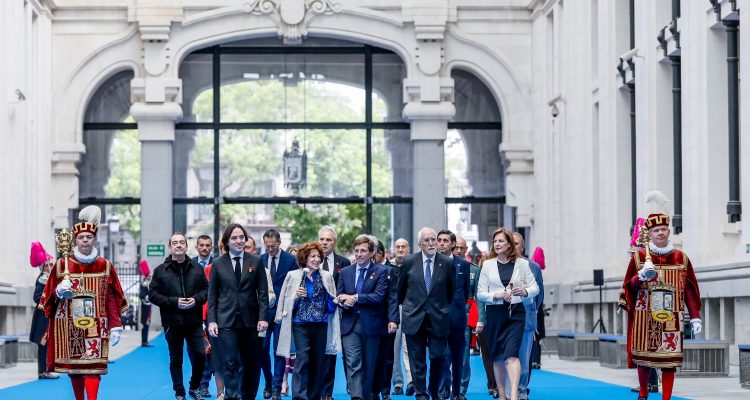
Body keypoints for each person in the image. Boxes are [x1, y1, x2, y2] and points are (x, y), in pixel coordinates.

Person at [618, 192, 702, 400]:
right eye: (656, 230)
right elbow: (628, 287)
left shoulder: (681, 258)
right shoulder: (639, 258)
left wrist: (696, 315)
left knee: (669, 361)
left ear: (669, 231)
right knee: (644, 358)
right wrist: (640, 277)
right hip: (645, 317)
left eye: (664, 229)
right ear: (649, 234)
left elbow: (690, 288)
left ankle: (667, 397)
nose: (661, 233)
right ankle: (644, 394)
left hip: (672, 318)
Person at [39, 205, 128, 400]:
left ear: (94, 239)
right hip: (70, 324)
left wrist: (116, 325)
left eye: (88, 237)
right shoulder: (62, 265)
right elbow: (46, 299)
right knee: (75, 368)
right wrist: (58, 292)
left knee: (93, 368)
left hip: (97, 324)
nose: (85, 240)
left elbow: (113, 297)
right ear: (75, 240)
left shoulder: (105, 265)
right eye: (81, 237)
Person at [389, 227, 455, 400]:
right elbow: (400, 292)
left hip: (438, 318)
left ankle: (433, 391)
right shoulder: (409, 262)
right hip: (414, 318)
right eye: (427, 240)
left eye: (434, 239)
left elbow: (451, 291)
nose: (432, 243)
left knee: (437, 357)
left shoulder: (447, 263)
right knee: (416, 360)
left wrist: (441, 308)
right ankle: (421, 394)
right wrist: (399, 315)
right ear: (420, 244)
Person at [207, 223, 270, 400]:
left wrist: (263, 318)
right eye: (234, 238)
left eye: (241, 237)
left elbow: (263, 293)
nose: (239, 241)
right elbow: (212, 295)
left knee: (251, 362)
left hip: (251, 321)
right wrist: (212, 320)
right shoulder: (218, 264)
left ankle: (248, 396)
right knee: (230, 362)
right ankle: (231, 396)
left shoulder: (255, 261)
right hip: (226, 321)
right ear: (227, 241)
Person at [476, 227, 539, 400]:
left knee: (512, 354)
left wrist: (525, 292)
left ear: (510, 244)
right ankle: (502, 395)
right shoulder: (487, 265)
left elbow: (535, 288)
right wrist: (495, 295)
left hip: (516, 313)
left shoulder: (522, 264)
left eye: (501, 241)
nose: (497, 244)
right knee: (497, 356)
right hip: (495, 313)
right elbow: (480, 293)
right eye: (495, 241)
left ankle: (514, 396)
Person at [275, 242, 341, 400]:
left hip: (321, 323)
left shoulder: (326, 276)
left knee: (318, 362)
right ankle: (299, 396)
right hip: (300, 323)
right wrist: (297, 296)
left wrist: (335, 301)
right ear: (305, 258)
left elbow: (331, 304)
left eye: (319, 256)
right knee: (303, 358)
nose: (317, 259)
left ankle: (314, 396)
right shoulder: (293, 276)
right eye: (313, 256)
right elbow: (286, 303)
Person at [149, 232, 209, 400]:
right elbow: (153, 295)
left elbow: (207, 291)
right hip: (172, 322)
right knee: (176, 359)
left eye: (182, 242)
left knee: (200, 355)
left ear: (186, 246)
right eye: (175, 242)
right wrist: (175, 302)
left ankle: (194, 386)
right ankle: (179, 392)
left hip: (194, 322)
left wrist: (195, 300)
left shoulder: (197, 269)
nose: (178, 245)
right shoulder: (160, 271)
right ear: (170, 247)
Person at [337, 235, 389, 400]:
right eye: (357, 251)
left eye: (363, 251)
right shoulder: (345, 272)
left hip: (372, 324)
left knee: (369, 364)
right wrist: (342, 301)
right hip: (349, 324)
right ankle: (356, 396)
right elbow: (339, 295)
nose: (359, 254)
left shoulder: (381, 271)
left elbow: (379, 296)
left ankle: (368, 395)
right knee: (353, 363)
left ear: (371, 253)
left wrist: (356, 297)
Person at [261, 229, 299, 400]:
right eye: (267, 246)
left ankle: (276, 387)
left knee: (279, 350)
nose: (270, 249)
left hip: (282, 313)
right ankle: (268, 382)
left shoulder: (290, 260)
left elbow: (295, 283)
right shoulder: (259, 260)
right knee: (261, 349)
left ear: (279, 243)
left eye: (273, 246)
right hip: (262, 313)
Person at [318, 225, 352, 400]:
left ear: (334, 242)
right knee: (318, 354)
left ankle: (327, 393)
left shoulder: (344, 262)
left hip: (337, 315)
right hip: (315, 316)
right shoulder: (311, 260)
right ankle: (316, 391)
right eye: (322, 239)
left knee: (332, 353)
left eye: (328, 239)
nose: (324, 242)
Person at [436, 230, 470, 400]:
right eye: (439, 240)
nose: (441, 243)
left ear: (453, 244)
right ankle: (443, 391)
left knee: (458, 357)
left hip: (457, 318)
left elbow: (465, 294)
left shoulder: (463, 265)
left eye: (445, 240)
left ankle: (457, 392)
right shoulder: (433, 263)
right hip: (438, 318)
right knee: (441, 357)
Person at [511, 232, 544, 400]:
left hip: (526, 320)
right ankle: (510, 391)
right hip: (507, 320)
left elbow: (539, 296)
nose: (513, 247)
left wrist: (531, 310)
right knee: (508, 359)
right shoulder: (501, 265)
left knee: (524, 360)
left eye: (516, 243)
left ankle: (521, 391)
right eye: (511, 243)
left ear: (522, 247)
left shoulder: (534, 268)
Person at [29, 242, 59, 380]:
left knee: (48, 344)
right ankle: (43, 371)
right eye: (49, 265)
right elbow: (36, 297)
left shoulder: (50, 279)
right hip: (43, 316)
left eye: (52, 265)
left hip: (49, 315)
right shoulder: (42, 279)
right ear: (43, 267)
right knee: (43, 344)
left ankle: (45, 370)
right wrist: (50, 296)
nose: (51, 267)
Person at [372, 240, 398, 400]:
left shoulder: (391, 271)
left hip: (386, 319)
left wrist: (393, 319)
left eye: (373, 250)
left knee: (387, 357)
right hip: (369, 319)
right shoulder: (360, 269)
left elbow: (393, 297)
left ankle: (385, 390)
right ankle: (371, 390)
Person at [455, 235, 480, 397]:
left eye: (461, 248)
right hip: (444, 317)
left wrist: (479, 320)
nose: (458, 250)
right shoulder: (442, 266)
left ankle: (461, 390)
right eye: (456, 247)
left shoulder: (474, 270)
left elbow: (479, 297)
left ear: (466, 250)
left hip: (465, 317)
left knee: (463, 357)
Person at [202, 242, 226, 400]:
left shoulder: (247, 266)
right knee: (215, 357)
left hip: (236, 319)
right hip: (215, 319)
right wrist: (204, 319)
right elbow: (207, 296)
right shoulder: (210, 268)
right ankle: (219, 392)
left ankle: (233, 391)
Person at [389, 238, 412, 396]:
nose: (400, 249)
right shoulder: (387, 266)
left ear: (408, 249)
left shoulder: (414, 265)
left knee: (409, 347)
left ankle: (411, 381)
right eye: (398, 247)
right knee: (394, 348)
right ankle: (397, 383)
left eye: (403, 247)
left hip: (410, 310)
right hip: (393, 310)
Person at [475, 254, 499, 399]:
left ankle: (496, 384)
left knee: (495, 354)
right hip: (483, 321)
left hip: (497, 321)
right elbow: (478, 301)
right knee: (487, 354)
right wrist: (480, 320)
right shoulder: (479, 281)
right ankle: (492, 384)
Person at [139, 259, 153, 347]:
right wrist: (148, 297)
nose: (151, 277)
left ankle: (145, 340)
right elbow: (142, 295)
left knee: (147, 325)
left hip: (148, 306)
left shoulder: (148, 284)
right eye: (150, 276)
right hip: (145, 307)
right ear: (147, 276)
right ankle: (144, 341)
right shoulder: (144, 284)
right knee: (145, 324)